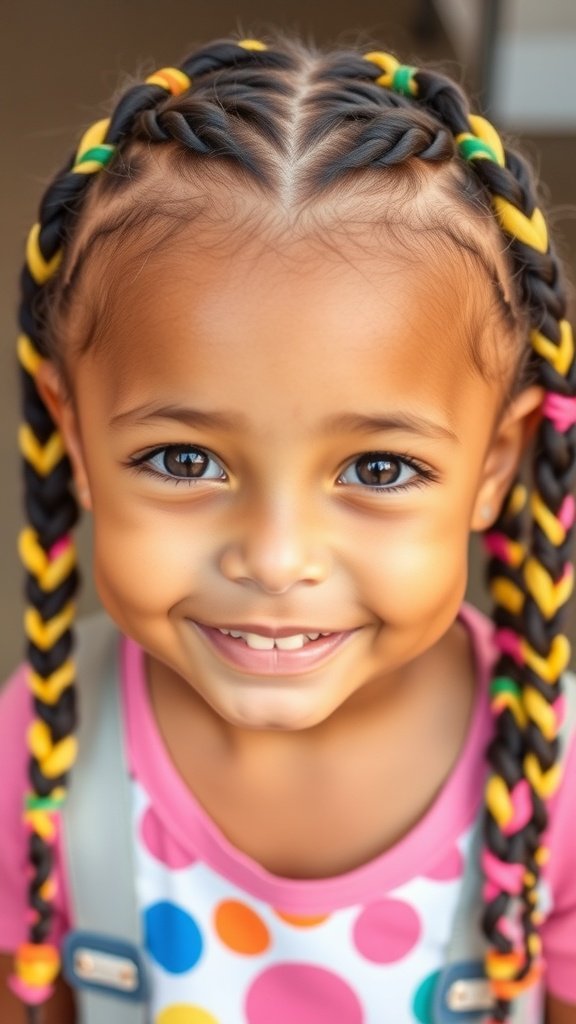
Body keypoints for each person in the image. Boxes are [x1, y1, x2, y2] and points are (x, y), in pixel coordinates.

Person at [0, 29, 575, 1024]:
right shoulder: (41, 750)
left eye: (379, 468)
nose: (274, 558)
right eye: (186, 461)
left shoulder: (556, 779)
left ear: (495, 464)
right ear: (75, 435)